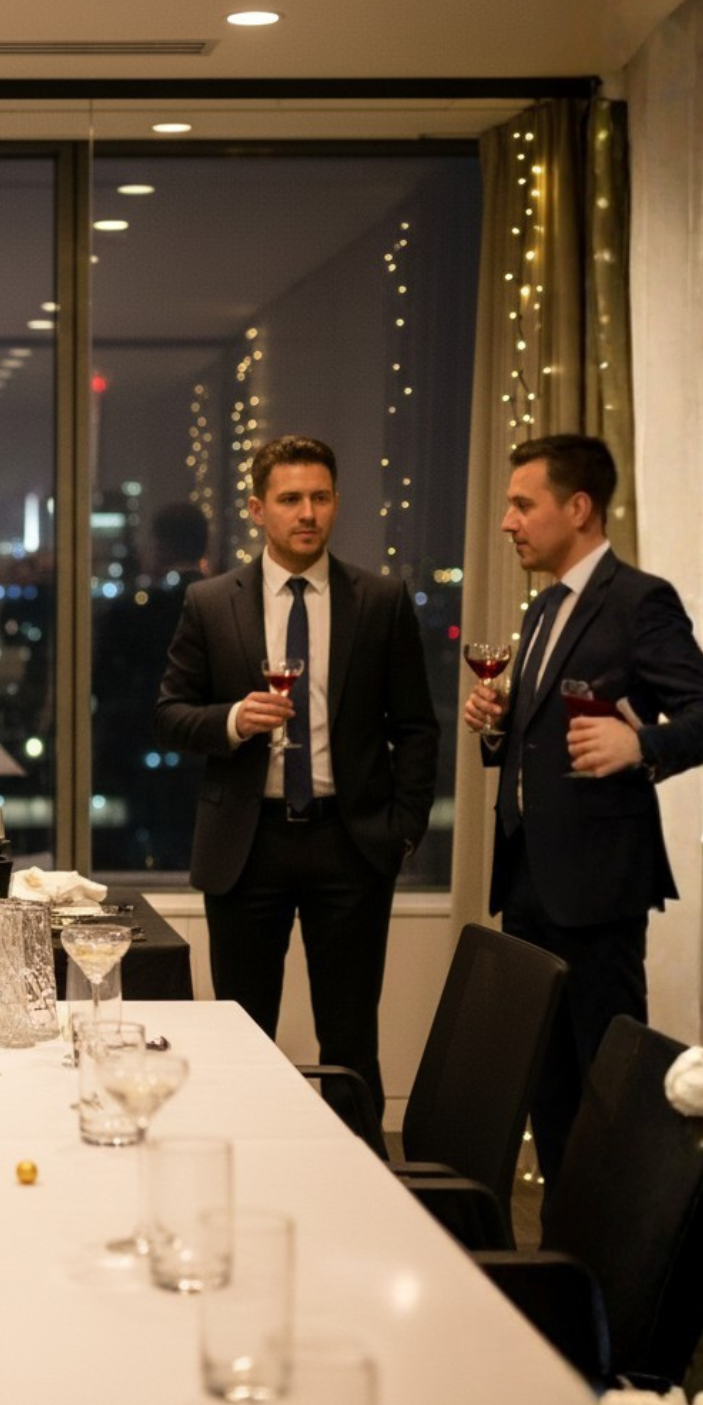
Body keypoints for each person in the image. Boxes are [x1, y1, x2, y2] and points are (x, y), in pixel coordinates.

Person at [461, 434, 703, 1180]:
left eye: (523, 504)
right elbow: (545, 734)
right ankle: (560, 1245)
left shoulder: (639, 601)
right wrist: (501, 725)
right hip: (527, 881)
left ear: (578, 507)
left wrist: (640, 745)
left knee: (608, 1089)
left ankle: (614, 1265)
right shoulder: (546, 605)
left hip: (596, 890)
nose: (507, 522)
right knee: (546, 1092)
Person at [154, 436, 439, 1116]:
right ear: (258, 509)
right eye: (290, 499)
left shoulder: (381, 599)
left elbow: (418, 729)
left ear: (336, 503)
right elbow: (169, 715)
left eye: (320, 497)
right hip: (246, 848)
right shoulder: (211, 601)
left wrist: (402, 833)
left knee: (350, 1043)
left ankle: (362, 1190)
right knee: (241, 1040)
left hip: (352, 843)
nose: (307, 513)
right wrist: (232, 720)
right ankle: (249, 1180)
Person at [93, 503, 209, 869]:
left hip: (137, 742)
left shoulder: (133, 611)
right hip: (202, 747)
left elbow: (103, 679)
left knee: (141, 840)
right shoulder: (223, 606)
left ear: (159, 545)